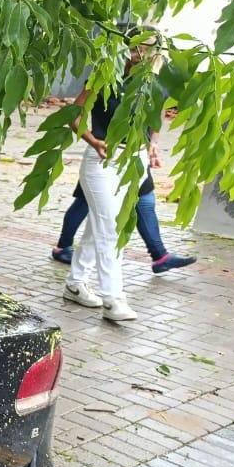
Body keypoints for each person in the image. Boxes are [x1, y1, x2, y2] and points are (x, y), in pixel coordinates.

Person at [60, 26, 167, 322]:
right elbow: (75, 113)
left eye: (147, 48)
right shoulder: (107, 75)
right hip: (101, 161)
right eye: (136, 46)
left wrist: (154, 146)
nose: (140, 53)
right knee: (111, 229)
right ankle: (113, 299)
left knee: (100, 227)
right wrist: (93, 140)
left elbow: (155, 120)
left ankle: (75, 283)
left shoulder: (154, 85)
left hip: (134, 161)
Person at [51, 174, 196, 273]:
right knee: (84, 202)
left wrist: (153, 143)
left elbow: (154, 127)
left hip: (136, 153)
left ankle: (160, 256)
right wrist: (94, 142)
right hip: (104, 154)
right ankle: (63, 247)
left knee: (145, 200)